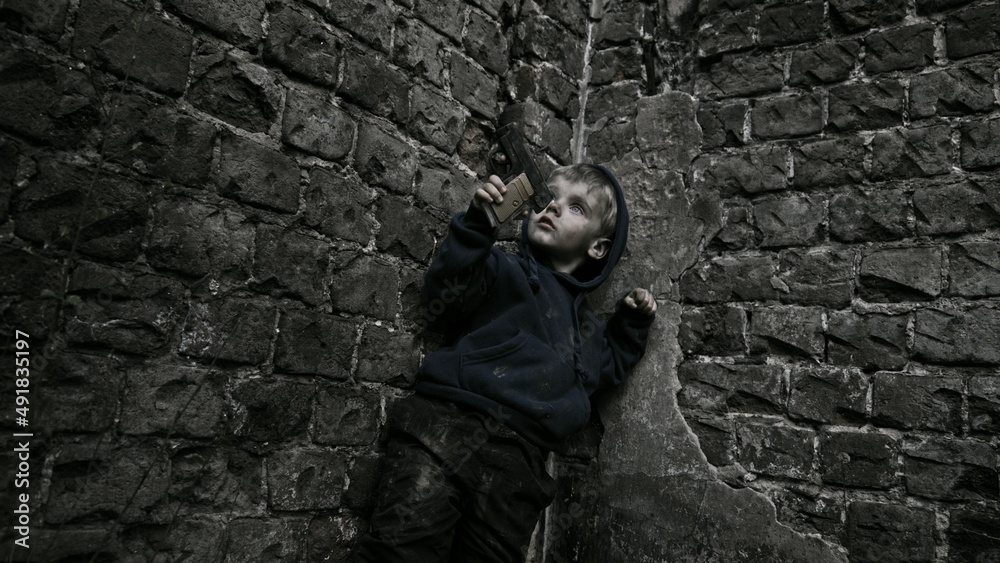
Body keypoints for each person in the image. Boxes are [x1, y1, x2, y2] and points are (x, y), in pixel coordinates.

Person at [352, 163, 656, 563]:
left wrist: (632, 322)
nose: (553, 207)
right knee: (400, 551)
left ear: (598, 248)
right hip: (448, 429)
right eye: (549, 196)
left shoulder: (589, 332)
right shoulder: (501, 268)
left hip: (519, 471)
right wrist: (478, 225)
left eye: (576, 207)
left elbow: (612, 365)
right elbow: (445, 294)